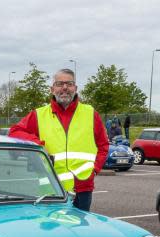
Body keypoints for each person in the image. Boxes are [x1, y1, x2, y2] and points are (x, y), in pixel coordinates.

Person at [9, 68, 109, 212]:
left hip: (82, 187)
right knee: (53, 231)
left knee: (80, 231)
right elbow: (15, 131)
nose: (64, 88)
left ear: (75, 88)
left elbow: (103, 144)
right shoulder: (39, 114)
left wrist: (94, 170)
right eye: (59, 84)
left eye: (69, 84)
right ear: (52, 89)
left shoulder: (90, 113)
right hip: (50, 188)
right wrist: (38, 145)